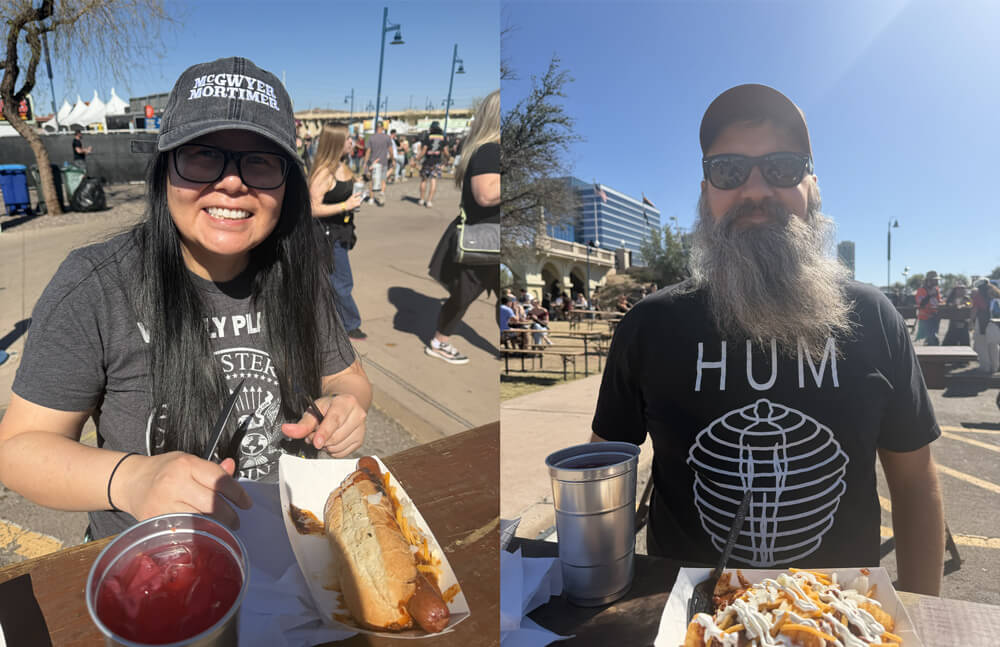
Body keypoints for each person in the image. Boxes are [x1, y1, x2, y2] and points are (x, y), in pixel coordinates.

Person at [0, 57, 372, 540]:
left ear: (287, 186)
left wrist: (345, 404)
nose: (233, 182)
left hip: (291, 553)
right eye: (202, 154)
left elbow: (349, 377)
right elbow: (19, 448)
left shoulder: (298, 270)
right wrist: (132, 479)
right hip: (155, 566)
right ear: (163, 169)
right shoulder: (96, 283)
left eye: (260, 160)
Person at [592, 84, 944, 595]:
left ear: (812, 187)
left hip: (838, 618)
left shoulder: (872, 318)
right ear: (705, 192)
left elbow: (914, 485)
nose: (754, 189)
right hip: (686, 617)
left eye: (781, 167)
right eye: (729, 170)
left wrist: (919, 620)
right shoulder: (649, 325)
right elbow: (603, 479)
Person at [425, 91, 500, 365]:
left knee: (502, 296)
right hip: (483, 239)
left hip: (492, 238)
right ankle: (439, 341)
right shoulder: (491, 150)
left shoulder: (488, 149)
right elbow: (485, 194)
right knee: (463, 295)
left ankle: (510, 345)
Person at [308, 124, 368, 341]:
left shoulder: (344, 166)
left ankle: (327, 322)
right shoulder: (324, 172)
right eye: (347, 139)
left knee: (331, 281)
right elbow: (312, 208)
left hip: (342, 232)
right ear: (335, 143)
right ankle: (350, 324)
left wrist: (364, 183)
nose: (352, 142)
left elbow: (347, 192)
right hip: (325, 234)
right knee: (341, 281)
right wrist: (345, 205)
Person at [972, 279, 1000, 373]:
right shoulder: (996, 294)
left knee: (982, 345)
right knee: (993, 345)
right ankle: (995, 366)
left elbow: (975, 311)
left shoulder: (979, 296)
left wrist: (971, 321)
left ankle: (985, 367)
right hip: (995, 323)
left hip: (982, 322)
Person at [417, 121, 448, 207]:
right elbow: (445, 151)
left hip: (427, 161)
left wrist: (418, 158)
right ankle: (429, 201)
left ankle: (421, 199)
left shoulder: (428, 137)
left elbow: (424, 150)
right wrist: (448, 158)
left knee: (424, 180)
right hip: (437, 161)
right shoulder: (443, 138)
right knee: (433, 180)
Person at [364, 122, 392, 206]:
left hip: (373, 162)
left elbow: (368, 151)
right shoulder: (387, 137)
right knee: (383, 180)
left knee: (372, 181)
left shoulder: (371, 138)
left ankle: (371, 199)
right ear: (383, 128)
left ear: (376, 128)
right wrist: (393, 159)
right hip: (383, 162)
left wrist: (365, 162)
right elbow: (390, 150)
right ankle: (382, 193)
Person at [915, 271, 943, 345]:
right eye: (935, 280)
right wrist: (929, 295)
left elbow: (938, 301)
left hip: (935, 316)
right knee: (932, 338)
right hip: (926, 317)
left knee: (932, 338)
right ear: (929, 280)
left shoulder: (936, 290)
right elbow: (921, 304)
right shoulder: (921, 290)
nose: (937, 281)